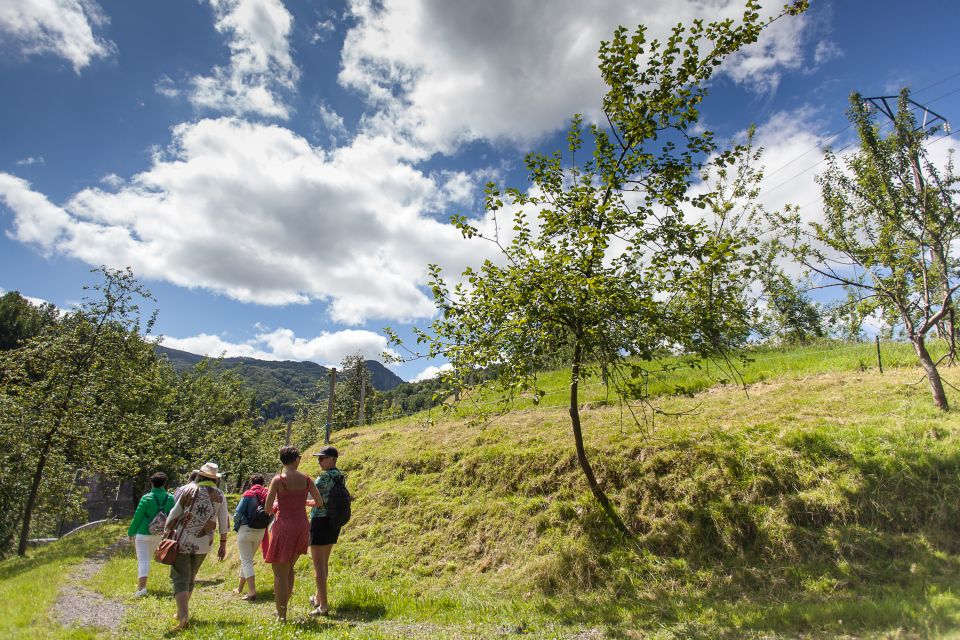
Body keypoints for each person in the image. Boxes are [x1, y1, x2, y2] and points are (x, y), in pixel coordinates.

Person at [164, 462, 230, 631]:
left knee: (180, 577)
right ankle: (181, 613)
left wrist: (166, 533)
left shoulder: (188, 490)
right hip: (204, 543)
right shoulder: (220, 495)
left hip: (183, 540)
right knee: (191, 577)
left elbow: (174, 514)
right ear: (215, 479)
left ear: (199, 476)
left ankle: (184, 616)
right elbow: (224, 521)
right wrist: (223, 544)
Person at [263, 446, 323, 622]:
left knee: (279, 571)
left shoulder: (278, 480)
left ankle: (281, 616)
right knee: (289, 568)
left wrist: (278, 506)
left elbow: (268, 508)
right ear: (296, 460)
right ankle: (283, 608)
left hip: (284, 526)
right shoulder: (306, 479)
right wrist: (301, 502)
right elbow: (319, 501)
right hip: (302, 526)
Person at [307, 446, 344, 616]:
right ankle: (317, 598)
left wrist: (303, 503)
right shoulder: (340, 476)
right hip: (333, 522)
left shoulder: (323, 478)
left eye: (322, 458)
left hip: (320, 521)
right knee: (324, 563)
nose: (319, 461)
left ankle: (323, 606)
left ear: (331, 459)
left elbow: (315, 500)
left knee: (318, 567)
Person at [127, 471, 174, 597]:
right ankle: (142, 585)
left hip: (143, 533)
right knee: (147, 559)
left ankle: (142, 588)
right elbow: (172, 516)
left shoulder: (146, 498)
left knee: (143, 560)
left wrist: (131, 532)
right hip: (159, 534)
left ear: (151, 483)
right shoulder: (170, 498)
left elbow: (138, 517)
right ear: (165, 483)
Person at [233, 473, 269, 601]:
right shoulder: (267, 494)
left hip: (246, 529)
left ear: (251, 483)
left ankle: (252, 592)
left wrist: (236, 527)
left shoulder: (249, 494)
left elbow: (238, 513)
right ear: (263, 482)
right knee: (247, 559)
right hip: (260, 532)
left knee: (246, 561)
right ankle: (239, 588)